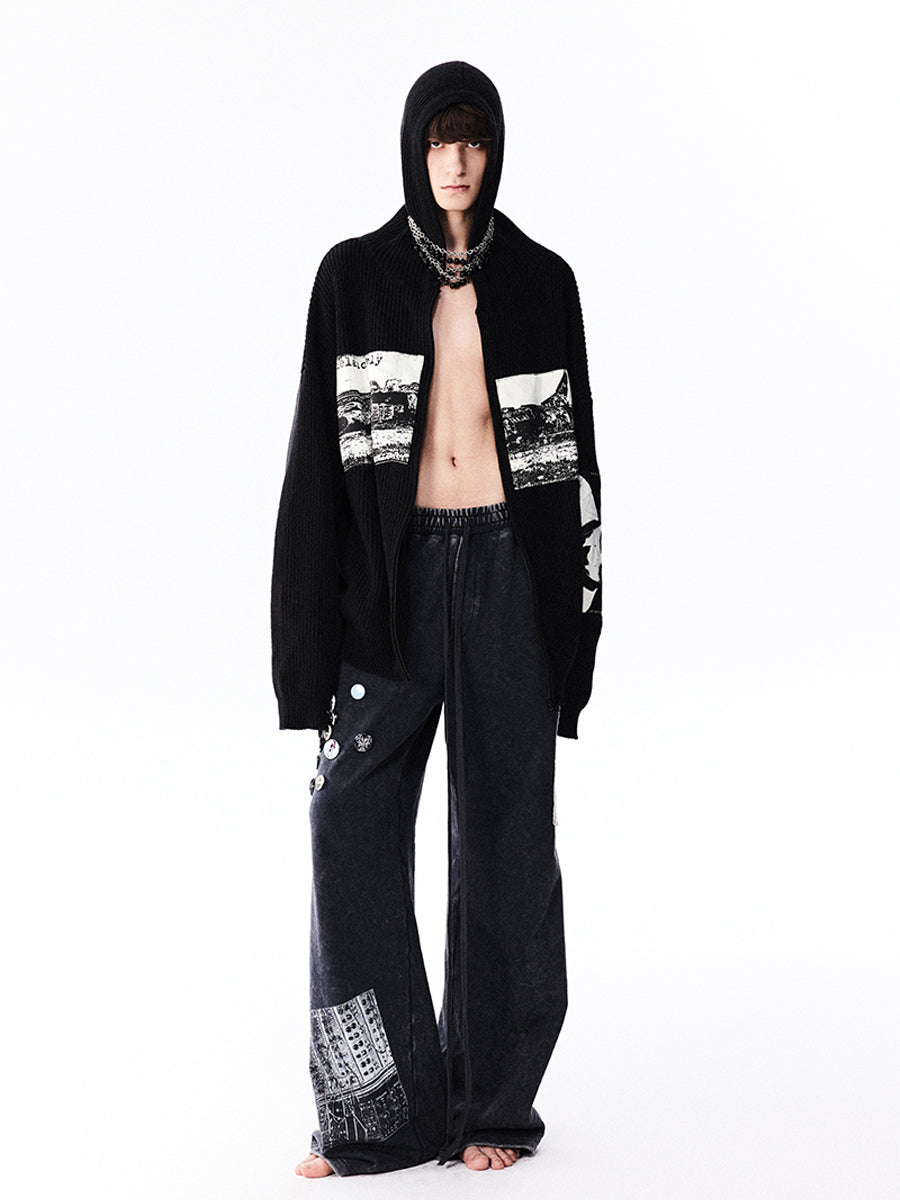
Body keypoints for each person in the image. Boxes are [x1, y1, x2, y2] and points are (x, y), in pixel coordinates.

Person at [271, 60, 602, 1178]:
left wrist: (579, 630)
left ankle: (492, 1105)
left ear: (494, 152)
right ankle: (372, 1114)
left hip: (511, 570)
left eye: (473, 142)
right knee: (347, 827)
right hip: (393, 583)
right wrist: (303, 653)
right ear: (414, 152)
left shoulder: (542, 282)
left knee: (507, 842)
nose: (456, 163)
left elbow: (576, 467)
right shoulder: (354, 277)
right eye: (438, 143)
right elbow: (315, 472)